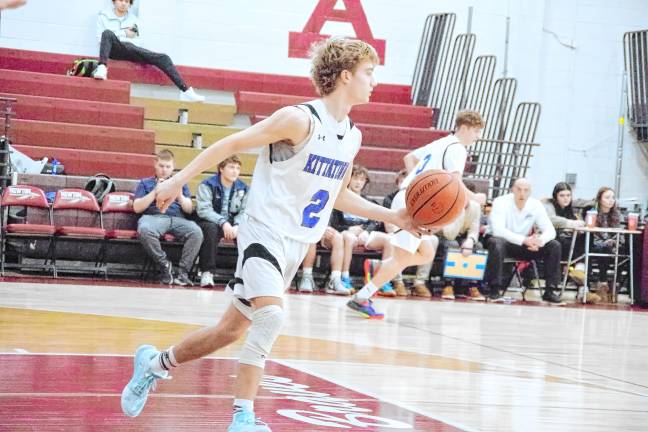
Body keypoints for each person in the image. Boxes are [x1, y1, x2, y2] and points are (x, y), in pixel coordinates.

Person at [120, 37, 415, 431]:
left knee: (229, 330)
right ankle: (243, 418)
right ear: (346, 75)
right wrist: (178, 180)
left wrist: (395, 215)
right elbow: (232, 143)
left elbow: (339, 195)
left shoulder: (352, 135)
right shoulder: (299, 119)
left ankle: (153, 364)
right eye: (368, 72)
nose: (374, 81)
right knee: (272, 316)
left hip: (297, 242)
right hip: (263, 231)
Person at [347, 110, 486, 315]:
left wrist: (418, 186)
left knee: (426, 253)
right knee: (403, 258)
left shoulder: (442, 142)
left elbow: (409, 158)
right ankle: (362, 297)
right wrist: (475, 198)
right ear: (464, 127)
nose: (478, 136)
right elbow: (455, 184)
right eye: (476, 131)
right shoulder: (457, 148)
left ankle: (380, 267)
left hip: (409, 197)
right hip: (413, 203)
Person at [94, 0, 204, 102]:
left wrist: (121, 34)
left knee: (164, 58)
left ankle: (185, 90)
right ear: (114, 1)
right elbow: (101, 39)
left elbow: (136, 41)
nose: (123, 4)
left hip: (130, 49)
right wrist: (123, 33)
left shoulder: (133, 19)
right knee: (107, 33)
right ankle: (102, 67)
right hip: (114, 50)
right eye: (121, 0)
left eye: (127, 1)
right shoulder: (103, 16)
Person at [485, 178, 564, 304]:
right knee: (496, 242)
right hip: (504, 242)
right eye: (519, 189)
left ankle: (550, 291)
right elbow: (498, 230)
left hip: (525, 244)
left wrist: (540, 241)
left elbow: (550, 231)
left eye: (526, 190)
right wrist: (524, 240)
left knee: (554, 245)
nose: (522, 193)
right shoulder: (500, 202)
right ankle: (494, 289)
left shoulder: (536, 205)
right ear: (513, 190)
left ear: (530, 191)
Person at [133, 149, 203, 286]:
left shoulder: (180, 183)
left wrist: (180, 195)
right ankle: (164, 264)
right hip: (154, 217)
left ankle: (183, 273)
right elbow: (137, 207)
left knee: (197, 232)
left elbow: (189, 209)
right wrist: (155, 191)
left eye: (168, 167)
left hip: (178, 219)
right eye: (161, 166)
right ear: (155, 164)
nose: (164, 170)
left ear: (173, 166)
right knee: (144, 230)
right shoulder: (145, 183)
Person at [329, 164, 395, 296]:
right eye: (355, 178)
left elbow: (376, 220)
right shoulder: (339, 200)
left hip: (365, 235)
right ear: (348, 179)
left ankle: (382, 280)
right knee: (348, 237)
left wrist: (365, 230)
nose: (358, 182)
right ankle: (344, 277)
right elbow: (334, 223)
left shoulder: (369, 201)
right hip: (346, 234)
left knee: (390, 240)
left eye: (362, 179)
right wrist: (349, 229)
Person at [196, 155, 248, 287]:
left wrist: (237, 225)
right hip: (212, 220)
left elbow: (245, 211)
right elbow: (203, 210)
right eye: (231, 167)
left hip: (233, 223)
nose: (235, 171)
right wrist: (223, 222)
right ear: (221, 169)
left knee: (247, 231)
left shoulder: (244, 188)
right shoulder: (207, 184)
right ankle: (207, 272)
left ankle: (245, 275)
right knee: (210, 229)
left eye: (237, 168)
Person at [543, 182, 596, 302]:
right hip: (553, 242)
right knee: (569, 244)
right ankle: (582, 281)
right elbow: (550, 219)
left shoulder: (571, 211)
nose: (566, 198)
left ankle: (579, 271)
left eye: (568, 195)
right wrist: (570, 224)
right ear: (555, 196)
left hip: (569, 243)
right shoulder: (549, 206)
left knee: (588, 238)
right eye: (562, 195)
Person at [436, 200, 486, 301]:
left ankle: (473, 285)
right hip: (444, 235)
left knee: (478, 246)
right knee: (452, 245)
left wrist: (470, 240)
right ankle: (448, 285)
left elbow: (474, 230)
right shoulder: (448, 202)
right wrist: (461, 211)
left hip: (461, 236)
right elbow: (450, 234)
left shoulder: (475, 207)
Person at [582, 187, 625, 302]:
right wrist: (605, 242)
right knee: (603, 249)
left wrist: (615, 241)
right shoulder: (592, 213)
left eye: (613, 198)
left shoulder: (617, 214)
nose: (611, 200)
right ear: (599, 199)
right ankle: (602, 281)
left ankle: (616, 285)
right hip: (596, 245)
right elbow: (590, 234)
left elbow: (621, 234)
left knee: (625, 252)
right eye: (607, 197)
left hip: (613, 245)